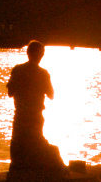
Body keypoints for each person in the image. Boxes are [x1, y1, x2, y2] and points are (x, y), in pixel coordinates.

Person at [7, 39, 65, 171]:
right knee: (36, 143)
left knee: (19, 143)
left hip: (20, 116)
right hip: (35, 117)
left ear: (28, 53)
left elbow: (10, 92)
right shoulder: (43, 74)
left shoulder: (17, 70)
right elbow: (51, 95)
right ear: (40, 55)